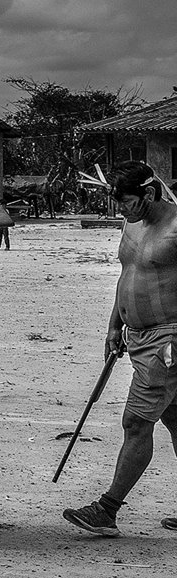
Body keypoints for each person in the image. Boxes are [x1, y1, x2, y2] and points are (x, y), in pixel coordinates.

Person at [64, 162, 177, 537]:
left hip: (168, 341)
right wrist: (115, 323)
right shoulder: (132, 224)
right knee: (176, 420)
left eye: (127, 202)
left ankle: (107, 508)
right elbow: (127, 273)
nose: (121, 210)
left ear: (149, 193)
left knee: (135, 421)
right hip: (137, 336)